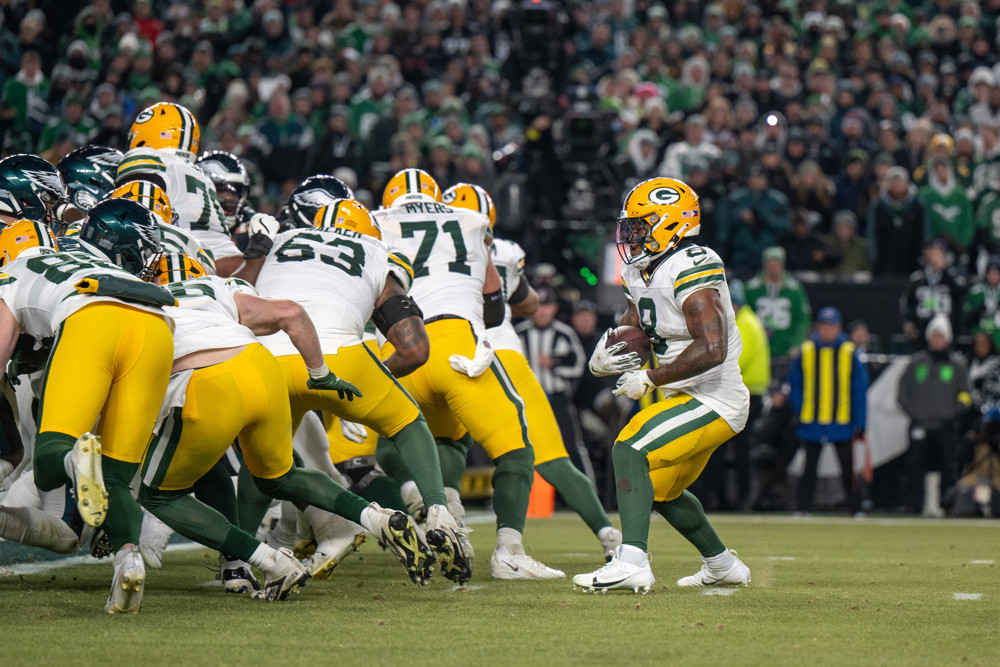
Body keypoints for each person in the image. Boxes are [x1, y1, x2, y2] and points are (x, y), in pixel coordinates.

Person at [138, 252, 432, 597]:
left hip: (205, 380)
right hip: (261, 367)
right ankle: (374, 517)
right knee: (282, 477)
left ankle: (267, 561)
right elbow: (291, 312)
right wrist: (319, 373)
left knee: (157, 495)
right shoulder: (222, 287)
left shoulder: (141, 299)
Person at [232, 196, 472, 584]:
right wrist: (372, 386)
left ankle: (237, 561)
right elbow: (413, 348)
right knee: (408, 423)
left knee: (261, 461)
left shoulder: (281, 239)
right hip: (339, 355)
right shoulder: (375, 251)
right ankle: (438, 511)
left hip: (267, 358)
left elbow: (233, 286)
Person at [374, 168, 564, 580]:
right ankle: (509, 551)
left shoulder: (375, 223)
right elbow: (494, 307)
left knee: (398, 439)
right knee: (516, 449)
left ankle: (435, 505)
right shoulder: (471, 221)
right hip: (458, 344)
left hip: (403, 348)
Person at [573, 177, 750, 593]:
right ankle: (722, 564)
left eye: (639, 226)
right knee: (660, 490)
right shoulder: (638, 269)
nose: (630, 236)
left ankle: (632, 561)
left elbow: (713, 347)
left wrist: (650, 377)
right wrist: (610, 352)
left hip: (715, 397)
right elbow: (636, 325)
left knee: (629, 447)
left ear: (668, 223)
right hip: (686, 394)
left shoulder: (692, 263)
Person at [0, 202, 174, 614]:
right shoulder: (91, 260)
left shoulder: (14, 272)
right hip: (158, 326)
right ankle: (128, 561)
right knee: (116, 478)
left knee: (50, 457)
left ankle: (75, 461)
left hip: (92, 318)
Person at [449, 183, 621, 560]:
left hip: (448, 348)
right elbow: (525, 303)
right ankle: (604, 533)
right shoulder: (506, 252)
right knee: (550, 457)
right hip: (501, 348)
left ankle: (437, 514)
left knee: (444, 440)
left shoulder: (423, 245)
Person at [787, 307, 869, 515]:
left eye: (830, 326)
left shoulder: (849, 353)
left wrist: (860, 421)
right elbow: (795, 384)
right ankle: (803, 507)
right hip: (812, 421)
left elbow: (859, 389)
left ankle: (856, 508)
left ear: (838, 328)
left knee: (848, 468)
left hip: (841, 421)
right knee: (809, 468)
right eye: (823, 326)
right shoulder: (807, 351)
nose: (826, 330)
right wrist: (799, 409)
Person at [897, 314, 973, 516]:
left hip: (945, 425)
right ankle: (912, 504)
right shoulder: (917, 362)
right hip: (919, 424)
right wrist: (914, 412)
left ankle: (948, 504)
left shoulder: (957, 365)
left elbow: (966, 394)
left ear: (947, 338)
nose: (937, 339)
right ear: (929, 338)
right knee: (914, 465)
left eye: (941, 336)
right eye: (934, 335)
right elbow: (902, 392)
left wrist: (954, 411)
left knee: (948, 466)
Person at [516, 287, 593, 482]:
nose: (542, 311)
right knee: (520, 448)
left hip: (558, 400)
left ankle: (588, 491)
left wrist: (554, 364)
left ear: (554, 308)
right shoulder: (519, 333)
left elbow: (578, 366)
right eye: (538, 306)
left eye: (546, 306)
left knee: (572, 447)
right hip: (528, 402)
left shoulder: (564, 333)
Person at [744, 246, 812, 368]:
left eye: (776, 263)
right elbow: (743, 318)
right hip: (758, 351)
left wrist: (796, 343)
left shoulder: (794, 290)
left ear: (783, 265)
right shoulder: (751, 289)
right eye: (769, 263)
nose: (773, 267)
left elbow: (802, 319)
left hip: (786, 352)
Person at [900, 240, 964, 350]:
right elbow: (907, 302)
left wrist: (944, 270)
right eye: (933, 252)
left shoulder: (953, 277)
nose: (935, 257)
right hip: (921, 328)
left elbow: (960, 294)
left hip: (946, 329)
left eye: (939, 253)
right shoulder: (917, 279)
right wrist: (907, 321)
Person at [867, 166, 927, 277]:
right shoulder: (878, 206)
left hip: (912, 260)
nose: (897, 185)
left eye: (900, 182)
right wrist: (874, 256)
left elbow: (923, 231)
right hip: (885, 261)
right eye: (894, 182)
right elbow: (872, 231)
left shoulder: (917, 205)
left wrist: (921, 254)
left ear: (907, 183)